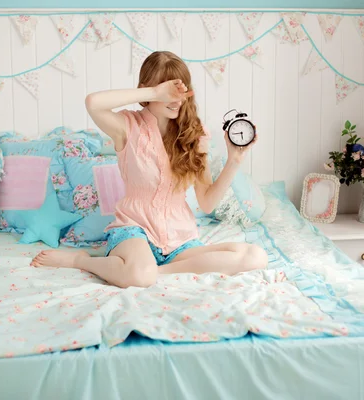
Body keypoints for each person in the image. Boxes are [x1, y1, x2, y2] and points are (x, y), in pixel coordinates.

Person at [31, 51, 268, 288]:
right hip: (134, 230)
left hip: (179, 239)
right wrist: (155, 92)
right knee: (139, 277)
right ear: (148, 90)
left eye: (181, 91)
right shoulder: (127, 126)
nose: (177, 99)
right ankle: (82, 261)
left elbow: (206, 203)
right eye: (169, 91)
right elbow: (93, 102)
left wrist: (234, 160)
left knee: (256, 257)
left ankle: (155, 271)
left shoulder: (193, 134)